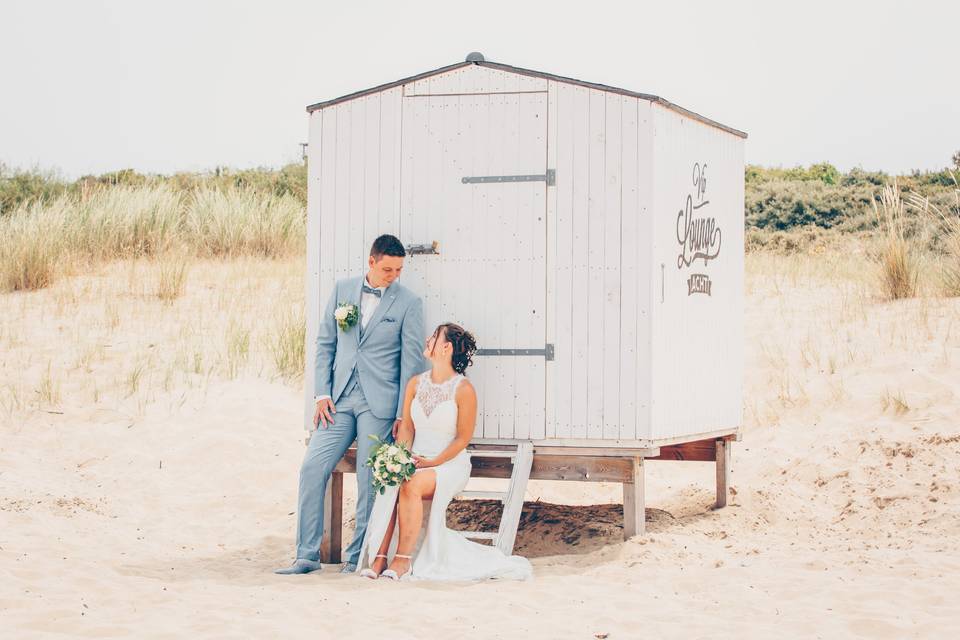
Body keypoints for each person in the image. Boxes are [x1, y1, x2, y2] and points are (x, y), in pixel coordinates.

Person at [275, 234, 425, 575]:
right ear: (371, 262)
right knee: (312, 467)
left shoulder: (409, 303)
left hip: (380, 403)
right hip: (339, 399)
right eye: (388, 269)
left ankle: (357, 558)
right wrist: (321, 393)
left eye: (399, 270)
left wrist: (404, 414)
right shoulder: (343, 290)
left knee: (368, 477)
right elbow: (325, 343)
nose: (393, 276)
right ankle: (306, 555)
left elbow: (411, 364)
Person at [356, 323, 532, 581]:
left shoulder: (463, 389)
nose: (428, 340)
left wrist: (433, 462)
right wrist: (400, 458)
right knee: (394, 478)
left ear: (446, 347)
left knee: (411, 483)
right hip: (417, 459)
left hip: (449, 463)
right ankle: (380, 557)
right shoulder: (415, 384)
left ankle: (402, 560)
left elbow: (463, 438)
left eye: (434, 338)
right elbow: (407, 428)